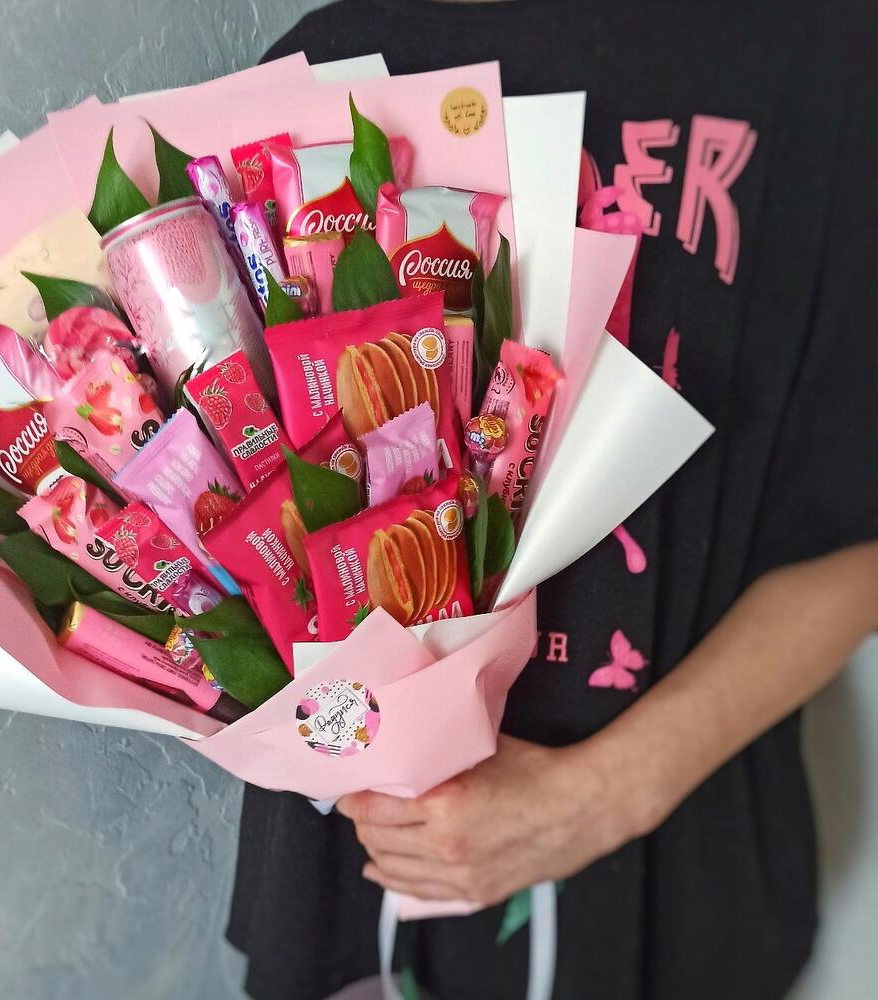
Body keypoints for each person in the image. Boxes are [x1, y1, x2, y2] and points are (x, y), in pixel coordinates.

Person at [225, 2, 878, 998]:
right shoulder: (326, 67)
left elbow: (857, 533)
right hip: (361, 885)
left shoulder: (814, 65)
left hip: (674, 881)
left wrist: (603, 797)